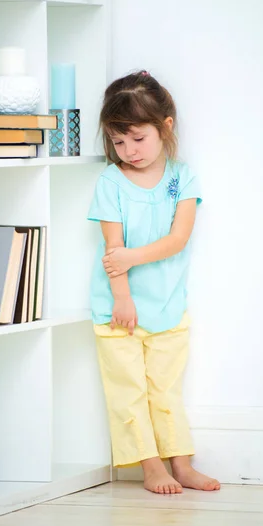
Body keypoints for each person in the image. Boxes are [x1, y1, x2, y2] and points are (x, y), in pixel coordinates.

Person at [88, 71, 220, 495]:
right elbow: (113, 248)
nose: (128, 151)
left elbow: (177, 239)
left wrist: (132, 257)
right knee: (128, 392)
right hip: (117, 307)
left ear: (167, 126)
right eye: (118, 141)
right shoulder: (111, 181)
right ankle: (150, 467)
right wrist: (121, 297)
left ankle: (180, 463)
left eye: (137, 139)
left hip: (167, 305)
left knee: (165, 390)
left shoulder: (183, 178)